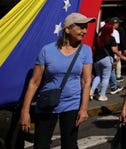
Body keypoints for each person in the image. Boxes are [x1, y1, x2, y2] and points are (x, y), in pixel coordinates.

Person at [19, 12, 94, 149]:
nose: (84, 31)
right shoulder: (47, 50)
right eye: (81, 27)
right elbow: (34, 82)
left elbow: (86, 81)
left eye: (86, 27)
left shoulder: (86, 51)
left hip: (72, 103)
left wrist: (83, 108)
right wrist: (25, 111)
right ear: (67, 29)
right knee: (41, 145)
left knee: (70, 145)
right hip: (48, 103)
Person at [90, 22, 122, 101]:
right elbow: (114, 50)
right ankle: (102, 95)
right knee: (106, 78)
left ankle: (91, 91)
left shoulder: (98, 38)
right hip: (107, 59)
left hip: (96, 59)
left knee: (98, 76)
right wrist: (121, 56)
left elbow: (94, 48)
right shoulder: (111, 38)